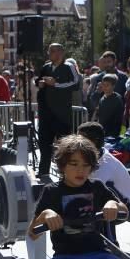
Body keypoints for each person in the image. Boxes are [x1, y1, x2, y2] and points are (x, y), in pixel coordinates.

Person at [37, 43, 81, 178]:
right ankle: (43, 172)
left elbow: (76, 83)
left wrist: (55, 84)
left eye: (55, 51)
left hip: (61, 114)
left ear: (61, 53)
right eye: (50, 51)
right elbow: (38, 80)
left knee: (65, 146)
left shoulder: (69, 67)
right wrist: (40, 83)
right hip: (45, 113)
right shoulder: (46, 67)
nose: (51, 54)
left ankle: (66, 173)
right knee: (44, 144)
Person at [77, 121, 130, 214]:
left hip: (123, 206)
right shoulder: (95, 155)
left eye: (80, 139)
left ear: (94, 141)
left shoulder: (106, 165)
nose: (77, 143)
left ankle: (103, 226)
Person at [86, 51, 128, 118]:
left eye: (109, 62)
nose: (106, 64)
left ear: (115, 61)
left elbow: (126, 97)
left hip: (119, 115)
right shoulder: (98, 78)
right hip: (103, 115)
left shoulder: (123, 77)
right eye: (104, 62)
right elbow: (92, 99)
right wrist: (98, 92)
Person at [95, 73, 124, 138]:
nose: (104, 87)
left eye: (107, 85)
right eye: (103, 85)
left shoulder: (117, 98)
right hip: (103, 131)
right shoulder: (102, 98)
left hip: (113, 131)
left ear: (113, 86)